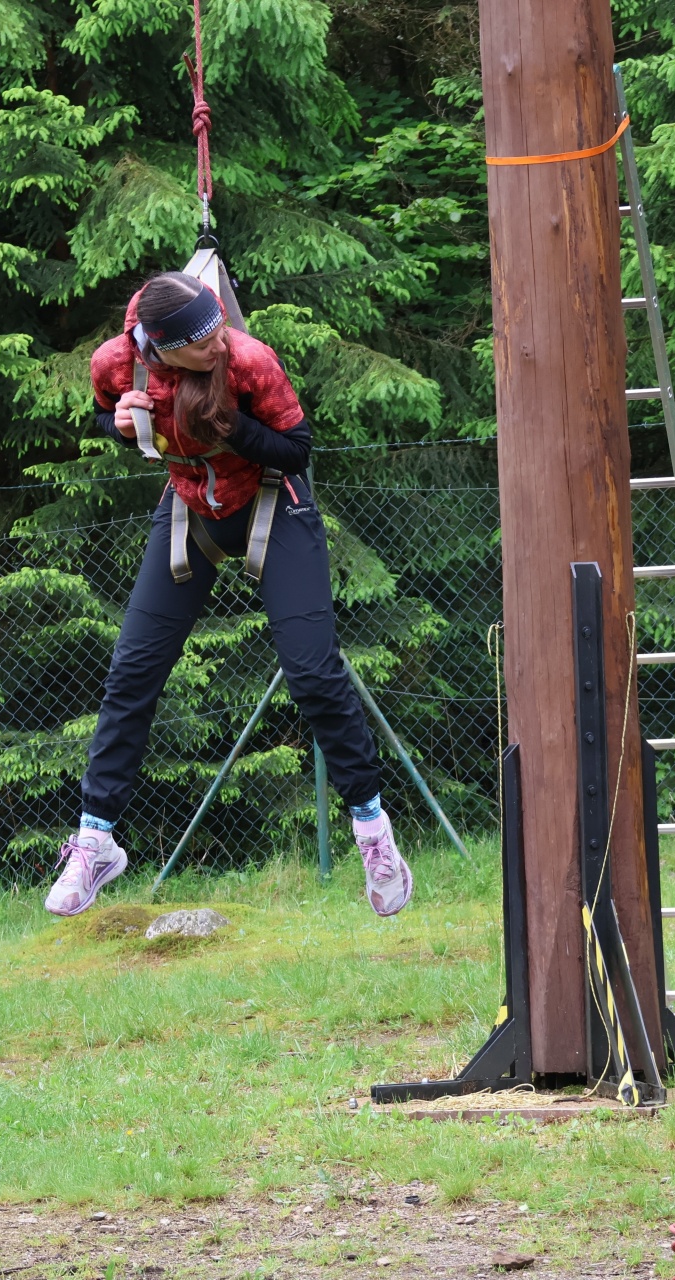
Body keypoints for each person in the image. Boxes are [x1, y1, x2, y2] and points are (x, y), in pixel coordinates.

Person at [44, 270, 413, 919]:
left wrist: (230, 426)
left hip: (273, 501)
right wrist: (119, 426)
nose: (218, 343)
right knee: (132, 671)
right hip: (189, 511)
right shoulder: (116, 362)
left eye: (219, 328)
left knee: (312, 673)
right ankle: (96, 842)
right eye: (201, 343)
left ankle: (373, 831)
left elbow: (297, 450)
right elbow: (107, 414)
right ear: (162, 348)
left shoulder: (247, 360)